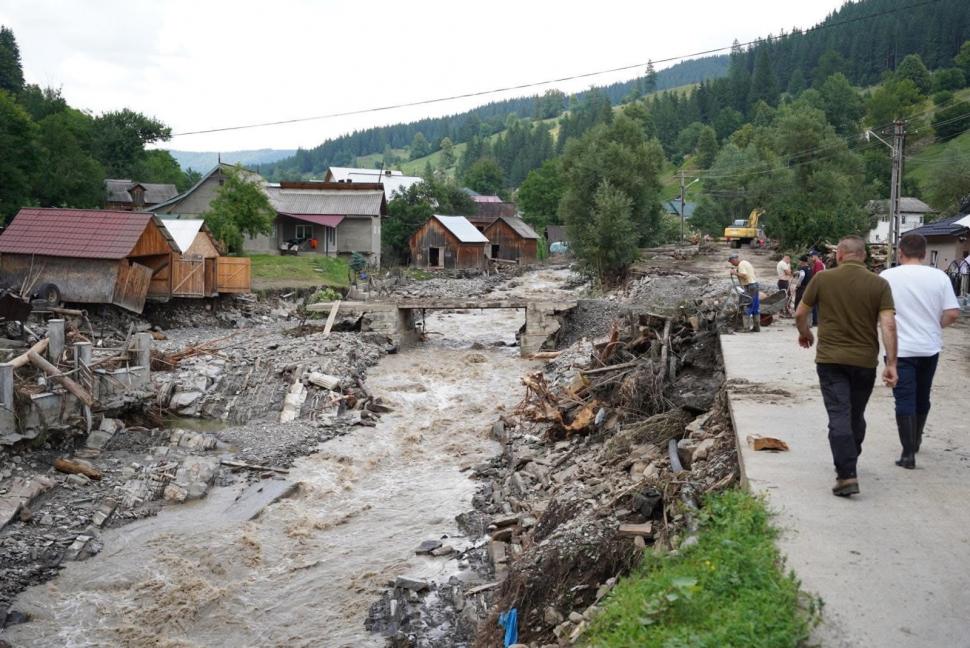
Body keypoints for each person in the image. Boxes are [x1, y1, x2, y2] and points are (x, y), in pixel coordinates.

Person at [795, 235, 897, 497]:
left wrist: (805, 333)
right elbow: (888, 325)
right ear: (863, 256)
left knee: (839, 414)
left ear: (839, 255)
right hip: (864, 362)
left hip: (830, 360)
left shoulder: (823, 279)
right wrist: (892, 363)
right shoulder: (879, 284)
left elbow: (800, 313)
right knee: (855, 414)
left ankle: (846, 475)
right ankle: (850, 458)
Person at [880, 234, 960, 469]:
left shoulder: (887, 277)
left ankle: (908, 453)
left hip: (900, 348)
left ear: (900, 252)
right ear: (924, 254)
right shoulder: (939, 277)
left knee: (904, 398)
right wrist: (936, 325)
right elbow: (953, 312)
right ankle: (916, 440)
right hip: (929, 347)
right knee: (922, 395)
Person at [729, 251, 760, 332]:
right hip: (754, 285)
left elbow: (744, 275)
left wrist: (735, 273)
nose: (732, 264)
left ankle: (746, 328)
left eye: (731, 262)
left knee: (747, 305)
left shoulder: (741, 264)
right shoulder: (745, 262)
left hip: (750, 286)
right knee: (755, 306)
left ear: (735, 259)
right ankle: (757, 328)